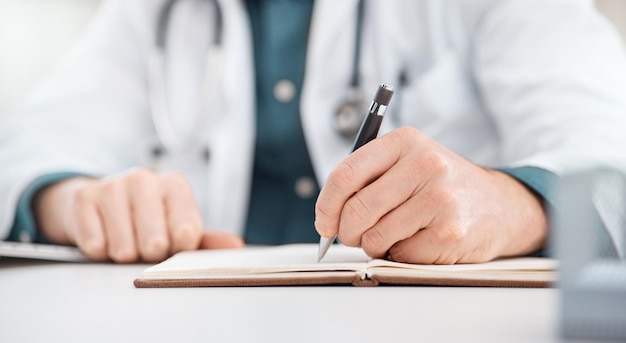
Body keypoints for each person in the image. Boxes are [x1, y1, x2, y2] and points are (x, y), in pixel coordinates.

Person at [1, 0, 625, 264]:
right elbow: (32, 149)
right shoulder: (151, 13)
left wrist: (513, 203)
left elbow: (610, 145)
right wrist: (78, 202)